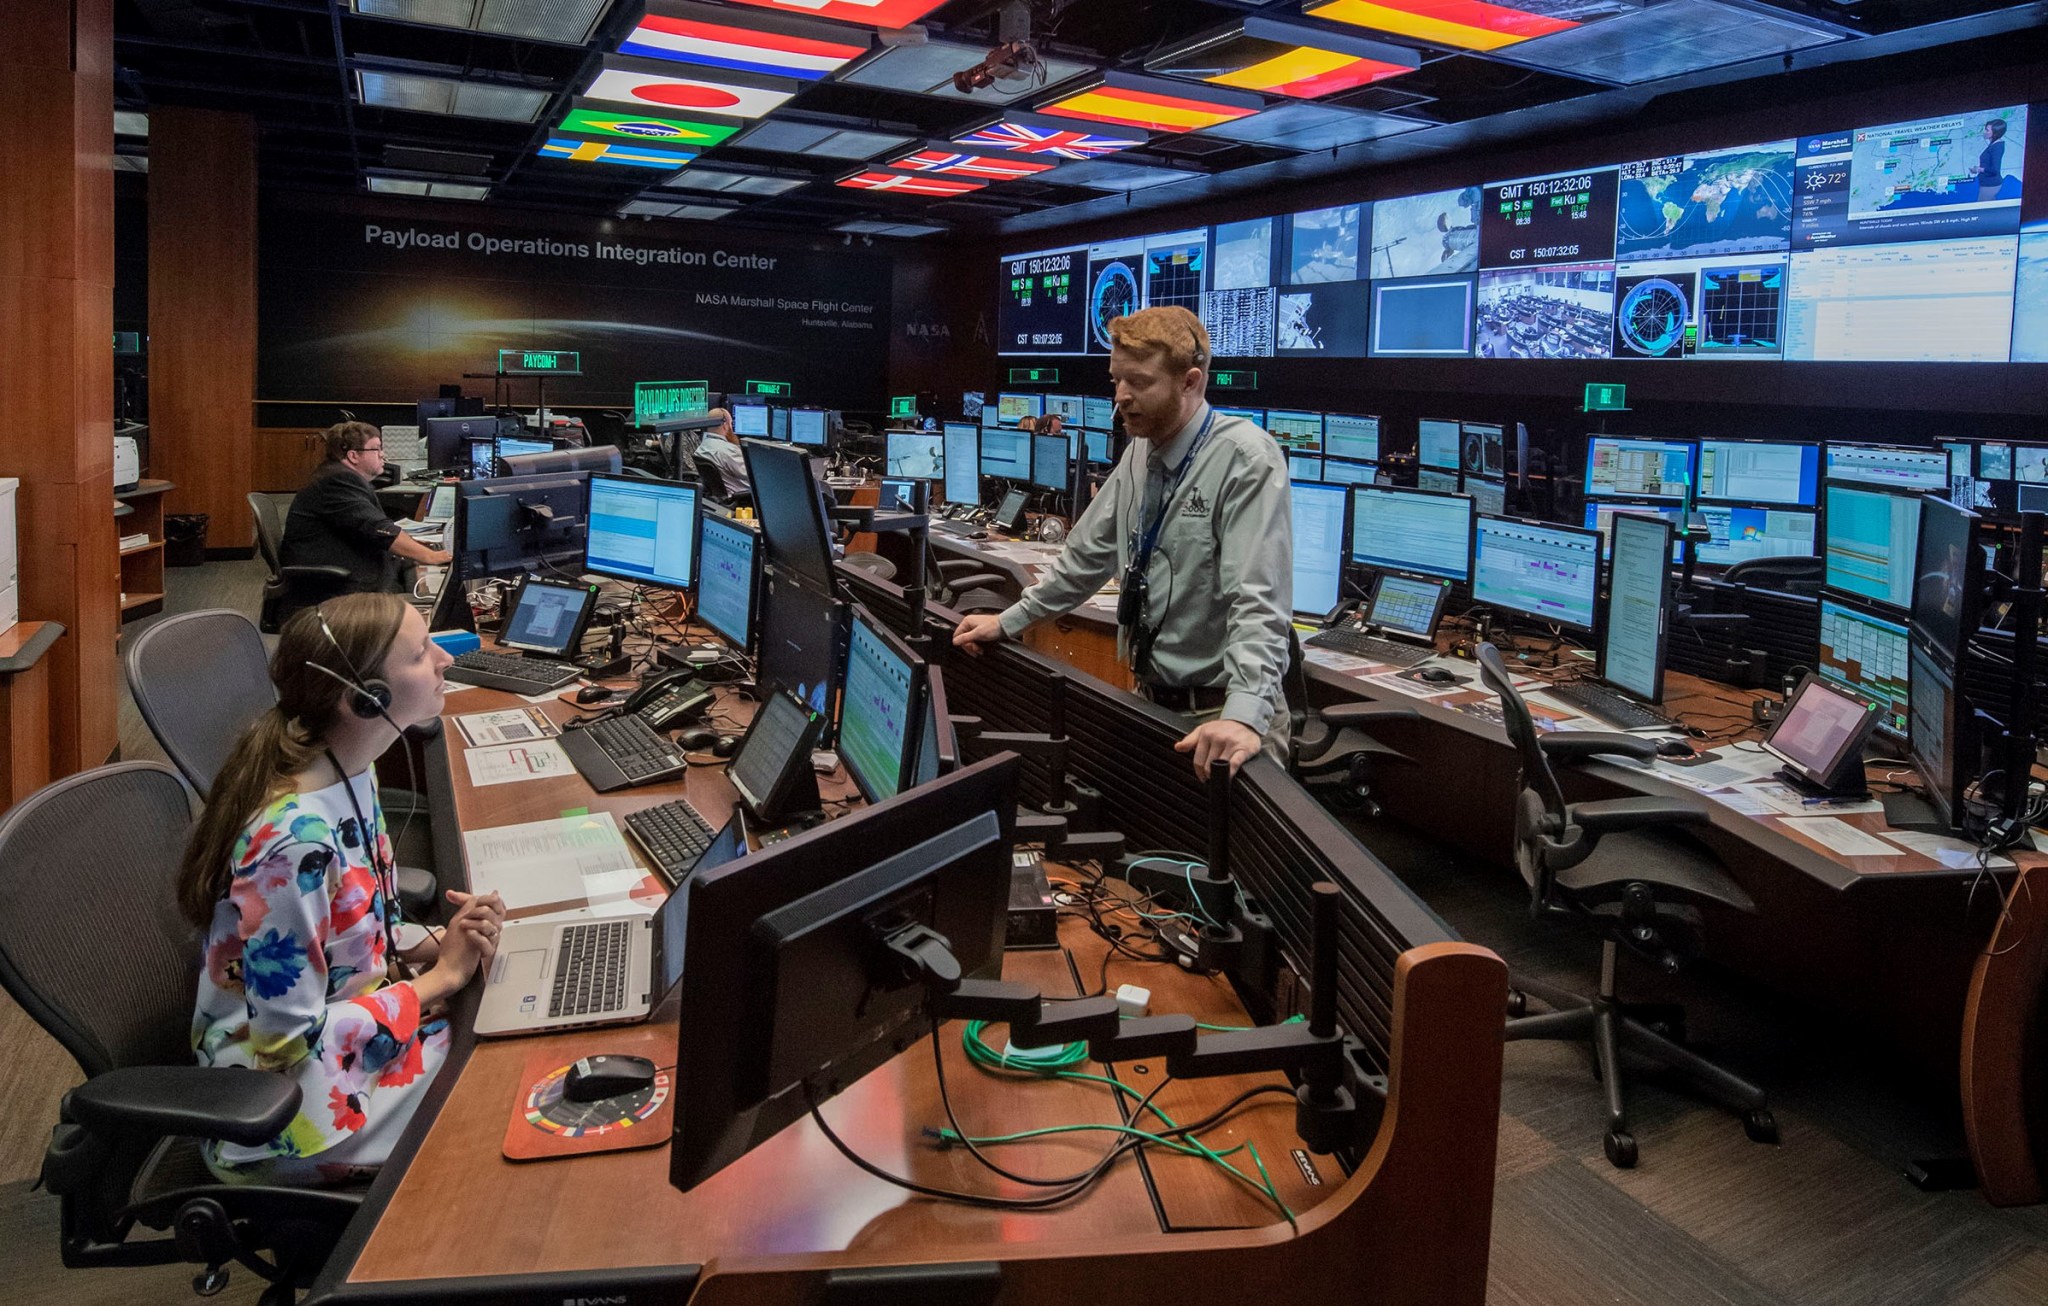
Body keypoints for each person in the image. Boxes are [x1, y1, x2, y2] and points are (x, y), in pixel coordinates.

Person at [180, 593, 502, 1185]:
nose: (444, 660)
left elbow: (351, 928)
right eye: (419, 653)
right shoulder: (293, 845)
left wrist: (440, 942)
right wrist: (444, 977)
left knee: (506, 1031)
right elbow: (287, 1039)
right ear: (364, 699)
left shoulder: (350, 768)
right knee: (499, 1094)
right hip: (281, 1112)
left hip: (338, 1050)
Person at [954, 306, 1293, 777]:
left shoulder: (1245, 459)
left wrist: (1243, 714)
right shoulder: (1141, 448)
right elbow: (1086, 558)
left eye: (1139, 382)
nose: (1121, 397)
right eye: (1116, 380)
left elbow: (1257, 599)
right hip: (1153, 701)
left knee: (1216, 852)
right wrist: (1011, 620)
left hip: (1222, 721)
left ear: (1190, 382)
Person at [279, 422, 450, 622]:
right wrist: (431, 556)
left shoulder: (338, 475)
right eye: (376, 448)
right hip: (339, 583)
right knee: (431, 603)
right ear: (353, 456)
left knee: (417, 577)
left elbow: (372, 523)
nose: (383, 455)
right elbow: (377, 529)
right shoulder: (337, 481)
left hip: (345, 563)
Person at [695, 407, 750, 496]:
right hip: (742, 499)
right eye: (731, 424)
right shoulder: (728, 451)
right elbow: (754, 475)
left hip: (720, 499)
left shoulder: (701, 447)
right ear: (725, 425)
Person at [1974, 118, 2009, 196]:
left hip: (1991, 185)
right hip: (1986, 183)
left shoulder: (1997, 147)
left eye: (1987, 130)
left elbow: (1995, 170)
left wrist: (1979, 169)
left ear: (1995, 133)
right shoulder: (1993, 145)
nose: (1985, 132)